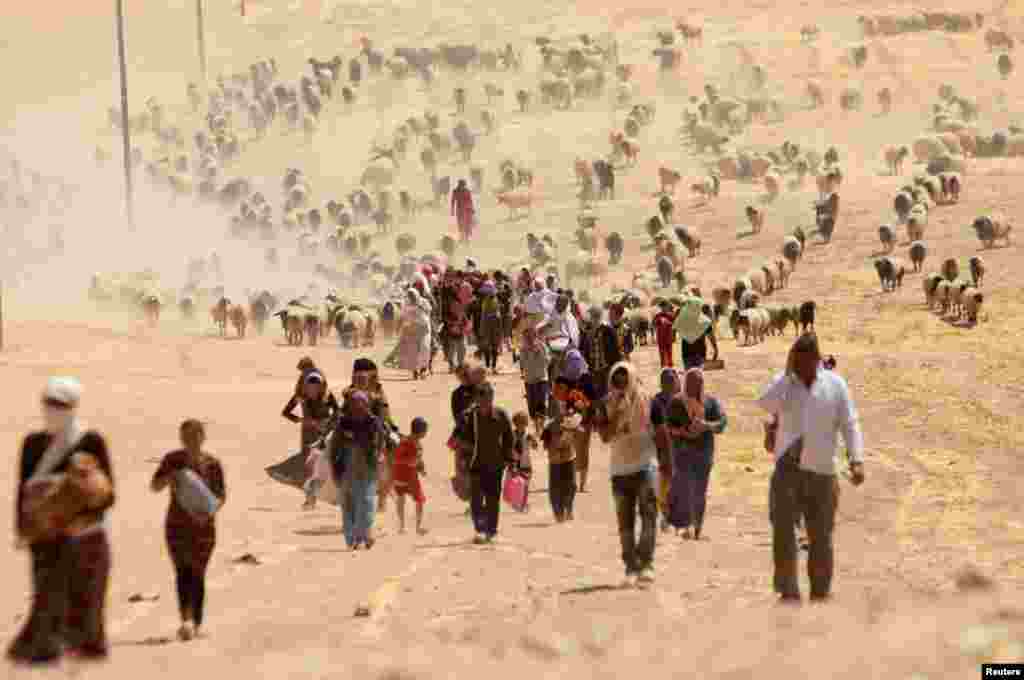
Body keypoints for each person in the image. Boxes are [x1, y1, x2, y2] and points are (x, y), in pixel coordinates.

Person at [9, 378, 115, 664]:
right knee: (45, 592)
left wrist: (84, 520)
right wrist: (21, 527)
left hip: (82, 536)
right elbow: (23, 488)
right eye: (48, 403)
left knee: (84, 599)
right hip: (43, 534)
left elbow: (107, 493)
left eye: (60, 405)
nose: (52, 410)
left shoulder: (91, 441)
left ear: (73, 407)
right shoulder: (32, 444)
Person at [756, 333, 865, 603]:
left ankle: (820, 591)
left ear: (817, 359)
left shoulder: (835, 385)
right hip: (787, 469)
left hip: (823, 470)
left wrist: (857, 459)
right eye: (798, 360)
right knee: (783, 529)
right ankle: (788, 589)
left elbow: (849, 423)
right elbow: (765, 402)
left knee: (821, 535)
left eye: (808, 360)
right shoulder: (785, 385)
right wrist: (786, 373)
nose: (803, 367)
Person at [150, 420, 226, 641]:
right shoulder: (173, 460)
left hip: (204, 527)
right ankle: (186, 619)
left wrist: (209, 511)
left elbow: (220, 495)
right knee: (183, 571)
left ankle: (196, 620)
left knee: (198, 572)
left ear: (203, 437)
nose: (190, 440)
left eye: (195, 435)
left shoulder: (212, 464)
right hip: (177, 525)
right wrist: (169, 476)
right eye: (186, 437)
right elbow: (155, 486)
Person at [596, 362, 657, 587]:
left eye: (624, 380)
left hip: (645, 464)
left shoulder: (647, 399)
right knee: (626, 522)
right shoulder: (605, 404)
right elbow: (604, 436)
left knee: (649, 515)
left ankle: (646, 562)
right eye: (616, 381)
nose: (620, 385)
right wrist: (618, 413)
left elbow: (658, 429)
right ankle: (631, 566)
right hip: (620, 468)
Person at [665, 368, 727, 540]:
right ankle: (683, 526)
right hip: (683, 453)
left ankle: (697, 528)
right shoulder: (677, 402)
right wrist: (682, 432)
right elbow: (668, 427)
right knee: (684, 489)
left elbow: (722, 422)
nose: (695, 386)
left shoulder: (710, 402)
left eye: (698, 383)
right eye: (691, 382)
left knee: (700, 491)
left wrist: (706, 425)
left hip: (704, 454)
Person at [455, 382, 516, 543]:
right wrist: (461, 461)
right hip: (475, 463)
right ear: (477, 399)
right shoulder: (470, 416)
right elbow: (463, 439)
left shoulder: (501, 415)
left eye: (488, 398)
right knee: (475, 500)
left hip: (496, 463)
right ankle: (480, 529)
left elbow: (509, 438)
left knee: (492, 498)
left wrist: (510, 460)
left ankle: (491, 530)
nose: (485, 402)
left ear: (492, 398)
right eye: (482, 399)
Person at [329, 391, 387, 550]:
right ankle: (353, 539)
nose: (358, 406)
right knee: (349, 506)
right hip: (346, 468)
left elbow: (382, 441)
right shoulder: (343, 422)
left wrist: (379, 454)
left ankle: (365, 535)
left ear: (366, 404)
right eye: (354, 403)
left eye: (361, 402)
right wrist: (334, 468)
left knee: (367, 503)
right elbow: (334, 446)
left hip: (367, 468)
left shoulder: (373, 422)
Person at [282, 370, 339, 510]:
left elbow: (337, 412)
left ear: (321, 385)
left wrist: (327, 423)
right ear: (306, 385)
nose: (313, 387)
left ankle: (329, 497)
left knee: (325, 465)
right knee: (310, 466)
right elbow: (286, 412)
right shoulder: (300, 396)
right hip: (308, 434)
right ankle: (310, 499)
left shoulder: (327, 395)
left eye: (316, 384)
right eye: (310, 384)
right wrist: (301, 420)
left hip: (324, 434)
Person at [649, 367, 681, 532]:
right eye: (667, 379)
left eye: (672, 379)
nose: (670, 382)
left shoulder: (682, 401)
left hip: (678, 449)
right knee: (663, 485)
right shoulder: (656, 401)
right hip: (662, 450)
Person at [392, 417, 428, 535]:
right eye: (425, 430)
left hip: (409, 475)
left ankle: (413, 526)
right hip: (404, 475)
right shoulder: (405, 442)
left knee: (413, 499)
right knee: (413, 499)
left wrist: (421, 468)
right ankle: (405, 526)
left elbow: (418, 460)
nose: (426, 432)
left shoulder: (417, 444)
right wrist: (412, 462)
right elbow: (397, 458)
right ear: (420, 430)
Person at [542, 419, 577, 522]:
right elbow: (545, 444)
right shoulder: (548, 425)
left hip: (568, 459)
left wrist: (569, 438)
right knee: (555, 489)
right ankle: (558, 513)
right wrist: (554, 447)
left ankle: (568, 508)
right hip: (555, 461)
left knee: (571, 486)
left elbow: (578, 435)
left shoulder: (571, 422)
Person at [519, 327, 550, 436]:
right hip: (529, 380)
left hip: (541, 379)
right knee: (531, 405)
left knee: (540, 403)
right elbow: (522, 363)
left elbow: (547, 361)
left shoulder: (541, 346)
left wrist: (538, 353)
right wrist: (523, 372)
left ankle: (540, 427)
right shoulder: (522, 348)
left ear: (535, 336)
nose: (528, 339)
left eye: (530, 336)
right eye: (526, 337)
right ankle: (537, 425)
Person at [675, 296, 719, 370]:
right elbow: (711, 337)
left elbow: (676, 331)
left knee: (689, 376)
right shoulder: (704, 321)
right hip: (700, 353)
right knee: (698, 376)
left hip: (687, 353)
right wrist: (715, 349)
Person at [398, 288, 433, 380]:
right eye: (410, 295)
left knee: (425, 348)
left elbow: (429, 310)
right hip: (411, 329)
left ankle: (424, 368)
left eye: (413, 295)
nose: (411, 297)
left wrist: (421, 306)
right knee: (413, 351)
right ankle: (415, 370)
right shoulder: (405, 303)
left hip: (424, 329)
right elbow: (403, 315)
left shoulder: (423, 301)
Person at [477, 281, 503, 373]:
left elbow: (497, 315)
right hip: (488, 326)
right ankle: (490, 366)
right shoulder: (486, 299)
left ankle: (492, 366)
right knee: (488, 347)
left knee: (492, 347)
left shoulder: (493, 300)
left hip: (492, 326)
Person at [510, 412, 535, 511]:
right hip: (515, 464)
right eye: (519, 423)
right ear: (515, 424)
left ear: (526, 424)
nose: (521, 426)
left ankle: (523, 504)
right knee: (517, 486)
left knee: (525, 486)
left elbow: (535, 446)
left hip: (526, 463)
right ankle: (518, 503)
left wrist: (533, 442)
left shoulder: (528, 435)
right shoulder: (512, 435)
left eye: (523, 423)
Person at [652, 301, 677, 368]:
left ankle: (670, 365)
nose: (664, 308)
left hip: (668, 336)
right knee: (662, 352)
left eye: (665, 306)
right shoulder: (657, 315)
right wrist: (659, 321)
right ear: (661, 307)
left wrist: (669, 323)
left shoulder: (671, 315)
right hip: (661, 337)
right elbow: (654, 324)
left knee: (669, 352)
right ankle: (663, 365)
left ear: (667, 307)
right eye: (662, 307)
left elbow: (675, 325)